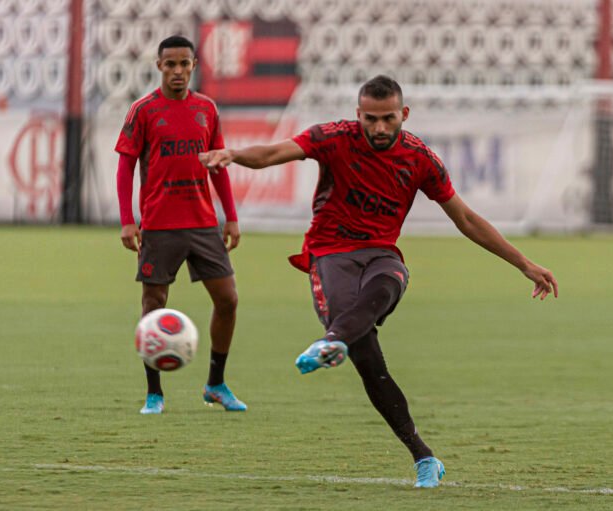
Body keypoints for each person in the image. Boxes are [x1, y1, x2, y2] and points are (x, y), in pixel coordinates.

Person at [199, 75, 558, 487]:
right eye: (371, 119)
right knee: (369, 361)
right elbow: (275, 153)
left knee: (390, 281)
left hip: (381, 254)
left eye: (389, 118)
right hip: (330, 255)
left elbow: (467, 219)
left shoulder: (420, 158)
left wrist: (523, 263)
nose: (380, 128)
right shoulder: (333, 137)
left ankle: (332, 340)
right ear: (358, 115)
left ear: (404, 114)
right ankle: (424, 456)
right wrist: (233, 155)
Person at [115, 35, 246, 415]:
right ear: (159, 66)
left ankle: (216, 384)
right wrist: (128, 221)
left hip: (203, 223)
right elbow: (125, 168)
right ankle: (154, 393)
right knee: (153, 305)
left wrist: (232, 216)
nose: (177, 71)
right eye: (169, 64)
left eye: (184, 64)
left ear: (193, 66)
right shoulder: (143, 110)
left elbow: (218, 164)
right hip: (159, 224)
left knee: (228, 299)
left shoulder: (207, 108)